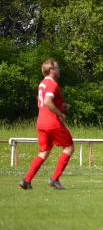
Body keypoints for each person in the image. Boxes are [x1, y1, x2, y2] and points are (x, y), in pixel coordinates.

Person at [20, 59, 74, 190]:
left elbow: (43, 104)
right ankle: (54, 179)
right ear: (52, 70)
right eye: (57, 67)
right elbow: (48, 102)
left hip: (41, 122)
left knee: (44, 152)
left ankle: (26, 180)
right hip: (52, 122)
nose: (59, 70)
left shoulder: (42, 83)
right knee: (69, 148)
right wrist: (60, 114)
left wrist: (62, 107)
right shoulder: (52, 84)